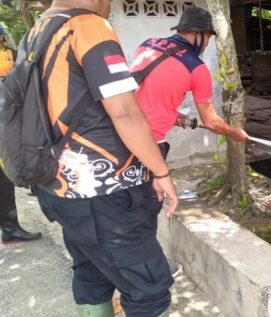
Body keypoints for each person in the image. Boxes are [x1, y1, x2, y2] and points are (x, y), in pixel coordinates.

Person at [29, 1, 178, 317]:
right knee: (149, 290)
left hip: (60, 189)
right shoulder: (88, 26)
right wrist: (161, 172)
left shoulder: (41, 28)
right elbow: (124, 111)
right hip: (104, 195)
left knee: (92, 273)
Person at [130, 7, 248, 158]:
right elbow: (211, 122)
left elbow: (147, 92)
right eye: (208, 38)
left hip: (119, 126)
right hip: (147, 140)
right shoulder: (197, 68)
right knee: (159, 181)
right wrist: (233, 132)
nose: (206, 45)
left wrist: (172, 115)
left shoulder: (148, 44)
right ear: (198, 34)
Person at [0, 27, 42, 243]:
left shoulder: (15, 56)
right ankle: (9, 228)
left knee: (12, 167)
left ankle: (10, 228)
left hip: (14, 119)